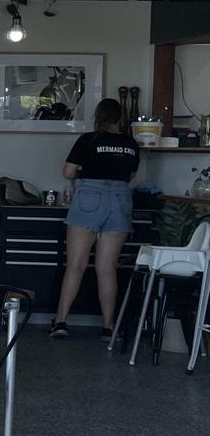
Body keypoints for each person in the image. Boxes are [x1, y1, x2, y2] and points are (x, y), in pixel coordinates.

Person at [53, 98, 140, 340]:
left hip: (90, 197)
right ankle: (108, 327)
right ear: (119, 118)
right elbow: (130, 175)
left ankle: (60, 322)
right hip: (121, 199)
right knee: (107, 268)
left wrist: (88, 172)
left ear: (98, 117)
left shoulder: (88, 140)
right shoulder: (131, 143)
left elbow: (68, 172)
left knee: (76, 265)